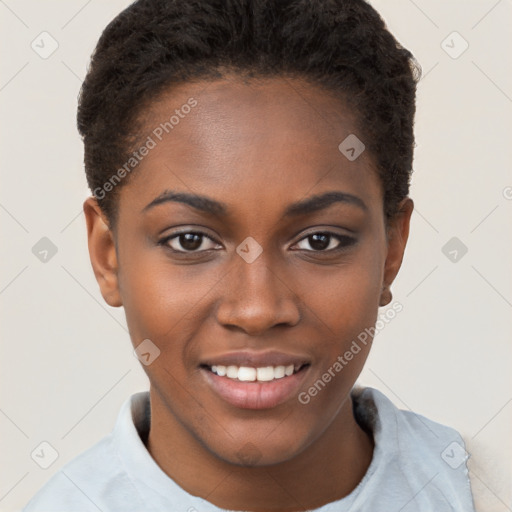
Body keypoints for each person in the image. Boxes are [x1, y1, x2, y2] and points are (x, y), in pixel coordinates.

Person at [23, 0, 476, 510]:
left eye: (319, 241)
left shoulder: (480, 488)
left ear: (392, 250)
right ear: (108, 257)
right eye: (190, 241)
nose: (257, 309)